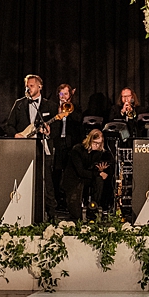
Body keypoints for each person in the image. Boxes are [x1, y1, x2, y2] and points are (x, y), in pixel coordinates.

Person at [61, 129, 109, 221]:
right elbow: (81, 171)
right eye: (95, 142)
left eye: (99, 143)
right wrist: (98, 173)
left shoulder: (98, 152)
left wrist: (99, 170)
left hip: (86, 178)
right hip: (74, 180)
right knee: (76, 214)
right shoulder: (77, 150)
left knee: (99, 180)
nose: (97, 145)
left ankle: (95, 205)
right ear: (90, 140)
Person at [51, 84, 82, 212]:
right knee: (56, 172)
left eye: (66, 94)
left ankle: (69, 202)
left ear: (70, 95)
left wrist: (69, 112)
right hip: (57, 142)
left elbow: (79, 120)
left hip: (70, 143)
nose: (64, 96)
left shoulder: (75, 107)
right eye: (61, 94)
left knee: (69, 173)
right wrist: (58, 115)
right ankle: (56, 200)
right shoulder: (53, 106)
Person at [4, 75, 60, 146]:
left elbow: (56, 129)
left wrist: (48, 133)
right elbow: (9, 126)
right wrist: (16, 135)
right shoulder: (19, 104)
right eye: (27, 86)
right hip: (21, 146)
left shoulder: (51, 106)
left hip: (40, 147)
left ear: (40, 87)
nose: (28, 89)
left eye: (31, 86)